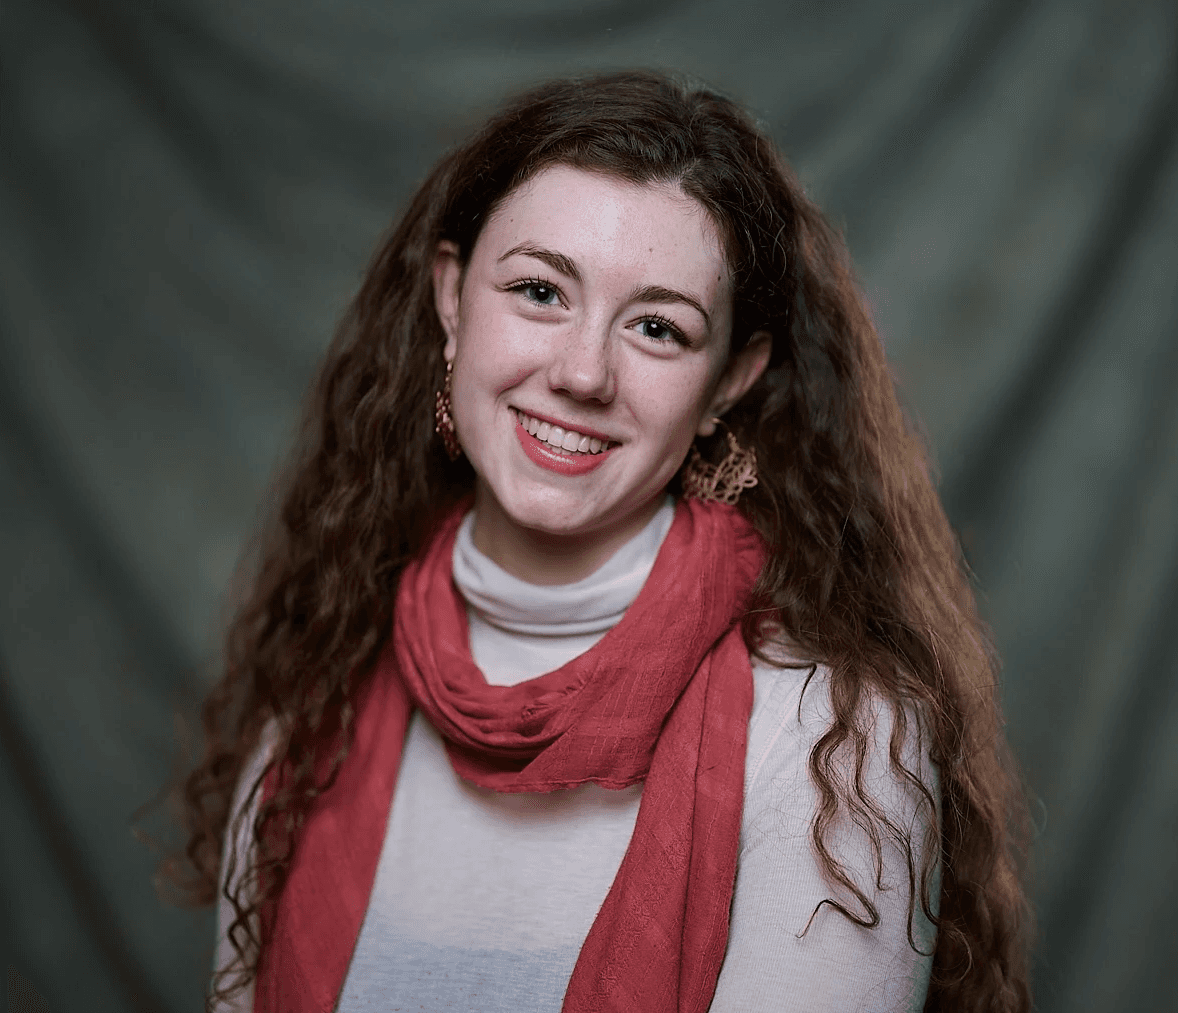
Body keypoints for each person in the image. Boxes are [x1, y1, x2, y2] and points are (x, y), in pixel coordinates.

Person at [168, 71, 1032, 1012]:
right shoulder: (314, 706)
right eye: (540, 290)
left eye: (658, 327)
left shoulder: (836, 744)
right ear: (452, 299)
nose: (583, 372)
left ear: (729, 383)